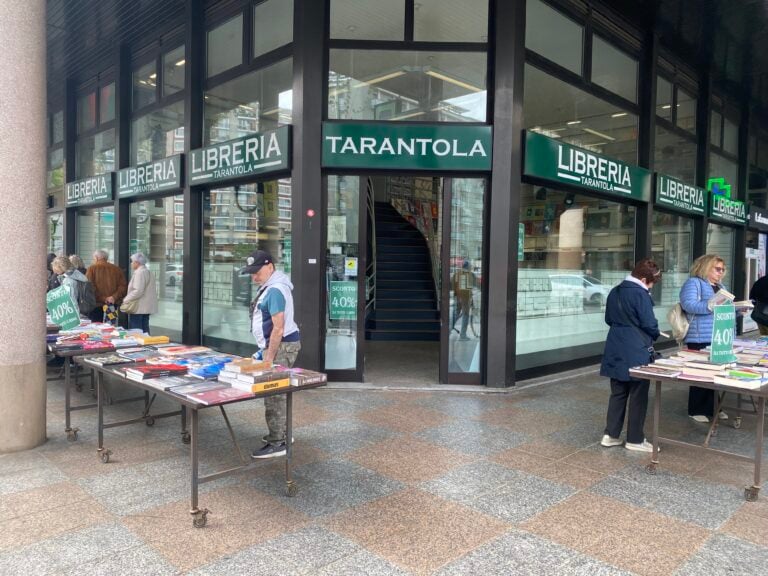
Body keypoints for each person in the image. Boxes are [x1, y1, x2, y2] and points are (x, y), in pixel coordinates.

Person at [242, 250, 301, 459]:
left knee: (273, 393)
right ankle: (283, 434)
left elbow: (278, 328)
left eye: (257, 272)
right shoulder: (271, 286)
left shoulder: (275, 290)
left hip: (280, 346)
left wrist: (268, 358)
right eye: (251, 273)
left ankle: (278, 442)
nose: (254, 277)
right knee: (277, 391)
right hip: (277, 345)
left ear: (270, 267)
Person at [600, 258, 662, 453]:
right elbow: (649, 323)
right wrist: (655, 333)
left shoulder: (615, 291)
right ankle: (635, 438)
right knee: (638, 394)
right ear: (644, 279)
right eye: (652, 282)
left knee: (617, 392)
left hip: (615, 345)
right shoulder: (640, 294)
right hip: (637, 349)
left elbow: (608, 319)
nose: (651, 286)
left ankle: (611, 435)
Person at [680, 254, 731, 423]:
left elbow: (721, 309)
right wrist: (710, 305)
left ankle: (714, 407)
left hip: (717, 335)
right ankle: (696, 409)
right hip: (699, 335)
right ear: (706, 267)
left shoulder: (719, 286)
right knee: (700, 374)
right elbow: (688, 305)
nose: (721, 273)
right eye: (717, 269)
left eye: (723, 270)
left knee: (716, 373)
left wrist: (737, 309)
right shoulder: (693, 283)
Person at [86, 249, 128, 323]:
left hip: (96, 304)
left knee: (96, 328)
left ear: (96, 258)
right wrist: (113, 297)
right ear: (106, 258)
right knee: (109, 328)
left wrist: (103, 298)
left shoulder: (91, 269)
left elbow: (89, 287)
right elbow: (123, 286)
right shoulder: (117, 269)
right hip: (112, 304)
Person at [121, 252, 157, 333]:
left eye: (132, 261)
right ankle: (147, 343)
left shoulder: (139, 273)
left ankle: (139, 345)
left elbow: (138, 291)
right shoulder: (148, 272)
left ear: (137, 262)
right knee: (145, 328)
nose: (131, 263)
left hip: (138, 307)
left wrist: (126, 299)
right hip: (145, 306)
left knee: (136, 330)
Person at [452, 260, 474, 340]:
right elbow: (469, 288)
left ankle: (448, 329)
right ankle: (463, 334)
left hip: (458, 297)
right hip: (465, 298)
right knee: (465, 315)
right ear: (468, 266)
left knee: (456, 314)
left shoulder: (457, 274)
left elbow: (452, 285)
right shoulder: (469, 274)